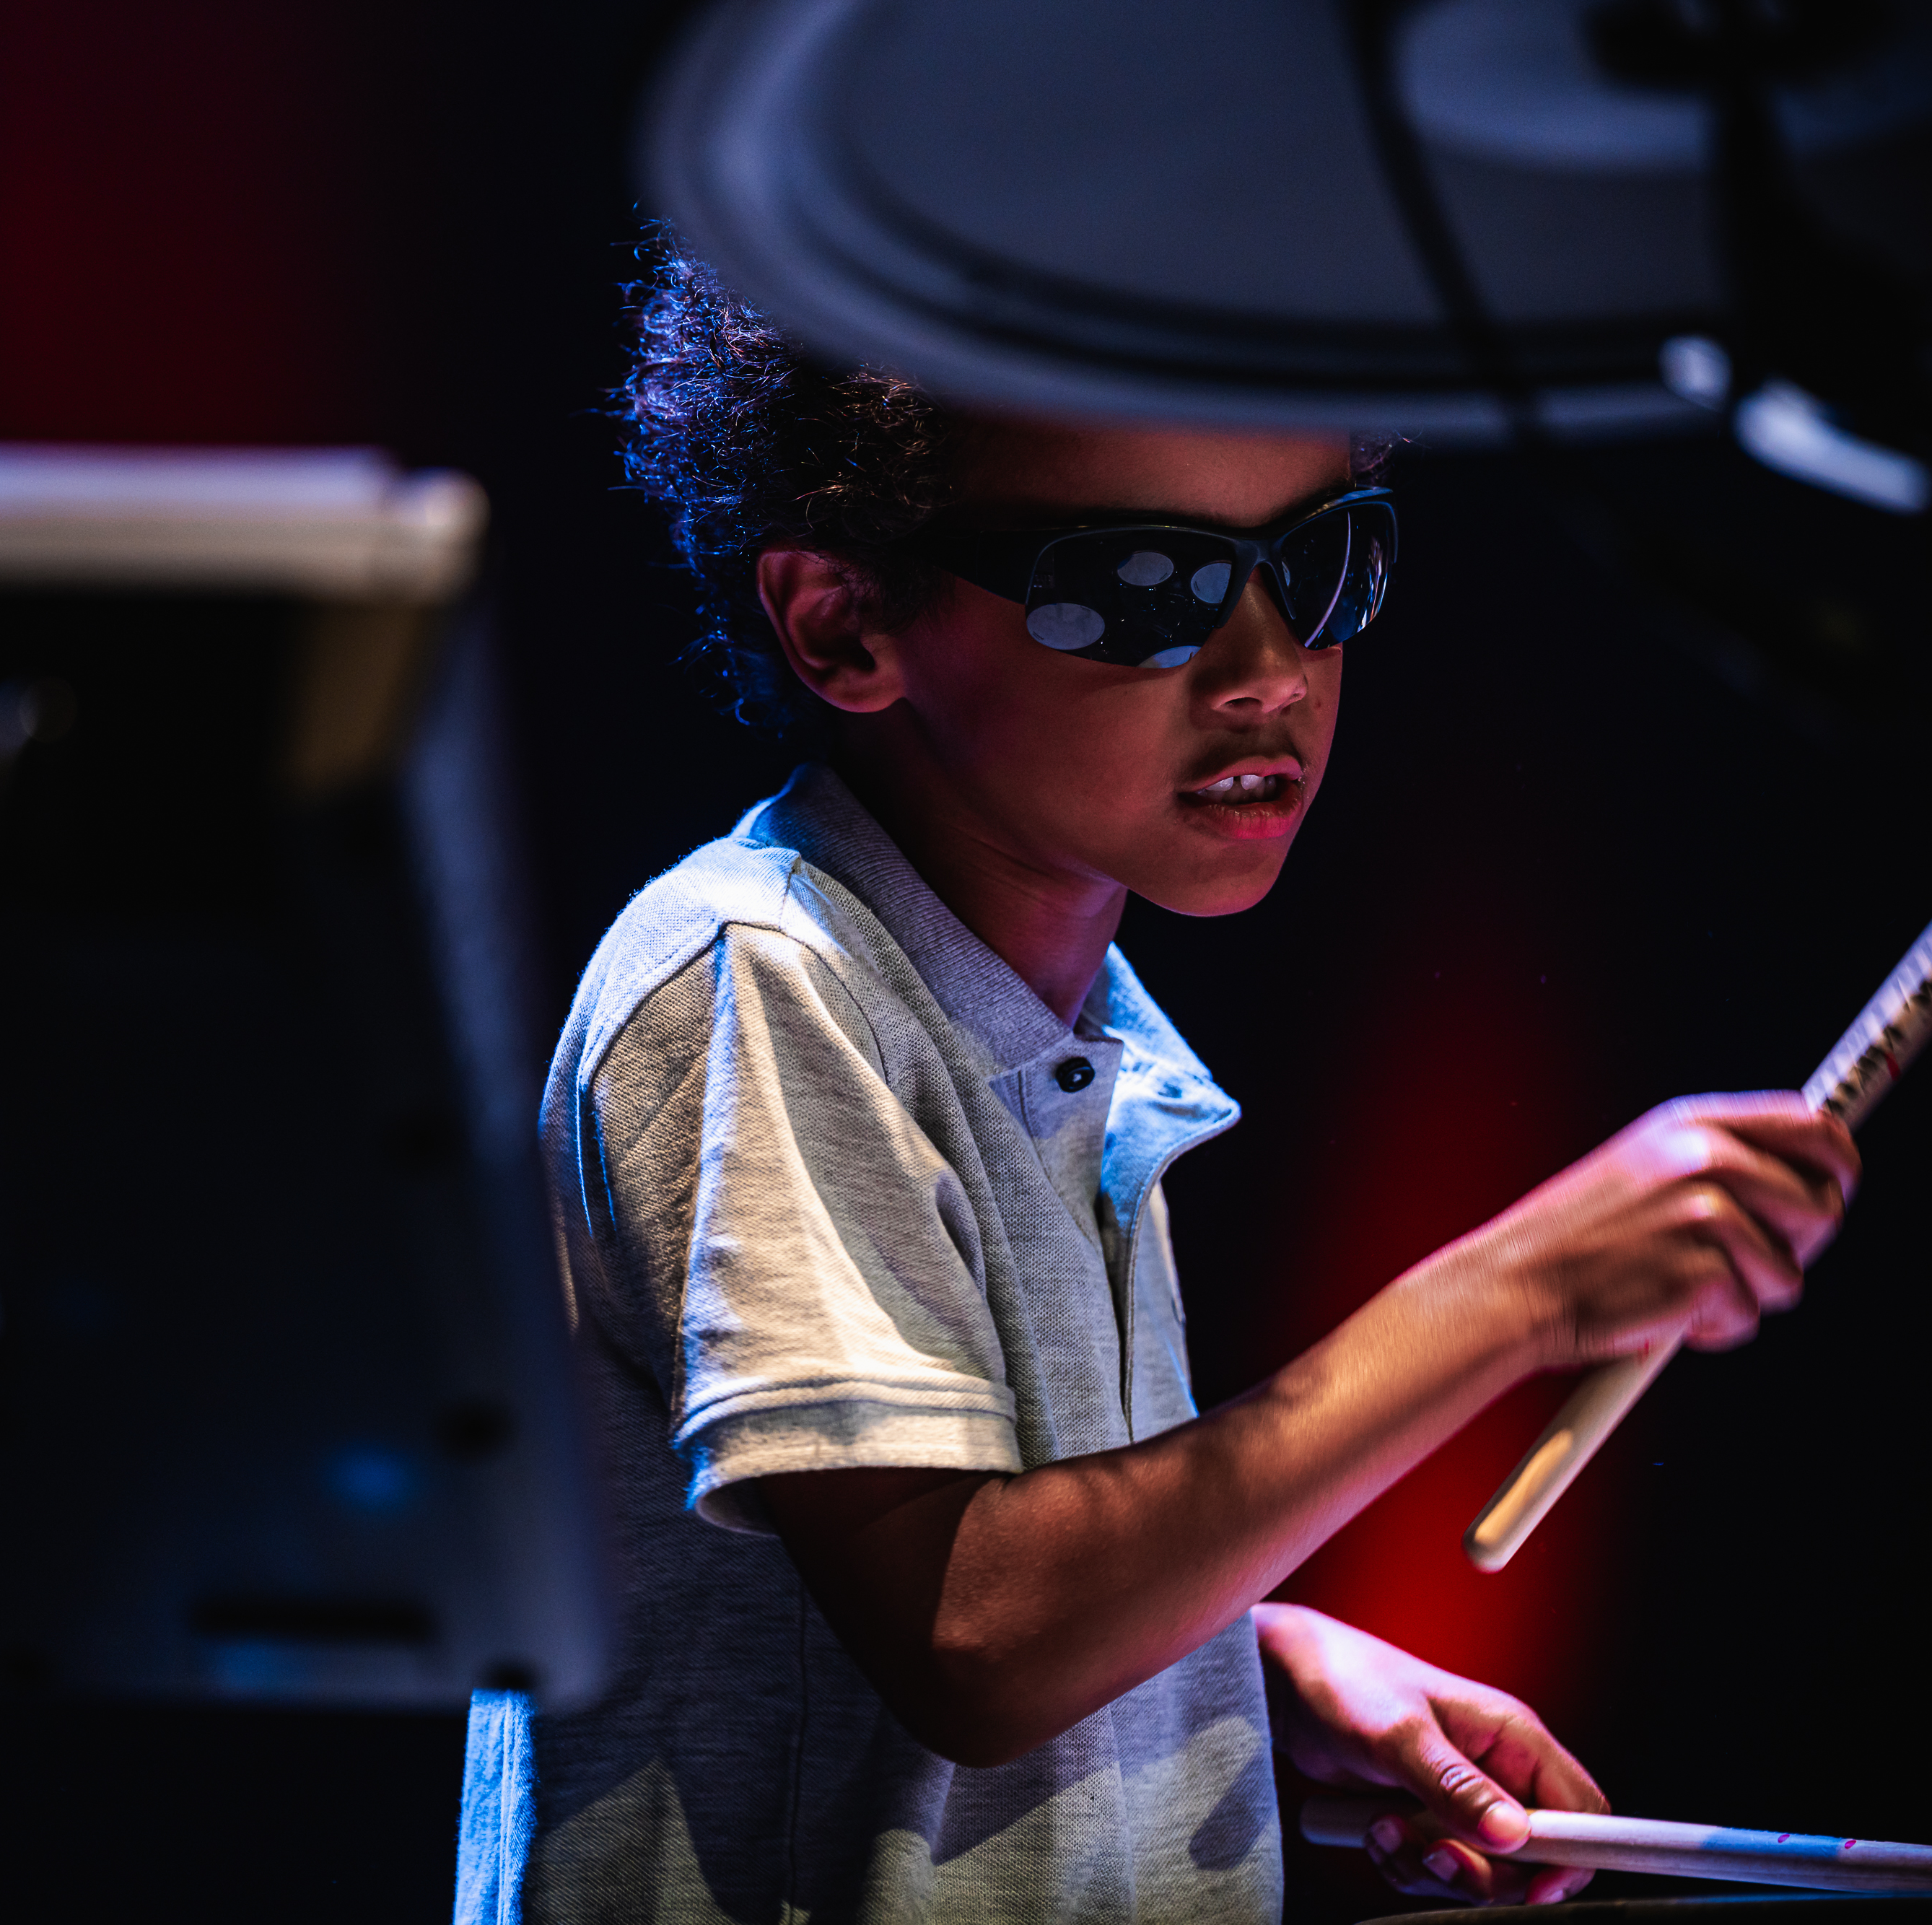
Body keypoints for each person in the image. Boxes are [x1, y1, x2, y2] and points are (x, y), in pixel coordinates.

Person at [453, 246, 1858, 1924]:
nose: (1267, 667)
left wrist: (1227, 1661)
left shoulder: (1055, 1027)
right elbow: (972, 1628)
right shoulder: (760, 973)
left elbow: (915, 1585)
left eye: (1317, 565)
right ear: (840, 620)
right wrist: (1514, 1290)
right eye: (1139, 584)